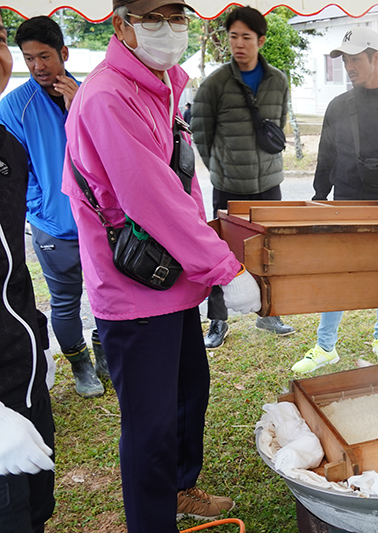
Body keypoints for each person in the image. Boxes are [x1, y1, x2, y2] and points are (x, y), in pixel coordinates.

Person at [62, 1, 263, 531]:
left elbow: (183, 176)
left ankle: (179, 488)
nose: (169, 27)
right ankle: (153, 522)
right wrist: (226, 269)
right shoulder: (108, 95)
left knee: (188, 393)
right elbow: (151, 198)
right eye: (154, 16)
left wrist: (206, 255)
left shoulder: (164, 82)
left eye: (177, 14)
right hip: (133, 290)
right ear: (122, 22)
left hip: (173, 282)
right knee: (149, 425)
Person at [293, 27, 378, 373]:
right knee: (337, 271)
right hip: (344, 199)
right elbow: (326, 154)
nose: (349, 66)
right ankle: (325, 346)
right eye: (345, 59)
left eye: (356, 59)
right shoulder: (339, 105)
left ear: (376, 58)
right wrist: (320, 196)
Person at [0, 16, 107, 398]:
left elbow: (110, 150)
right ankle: (80, 366)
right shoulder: (14, 106)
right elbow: (15, 170)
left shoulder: (92, 93)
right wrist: (39, 209)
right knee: (65, 301)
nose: (37, 67)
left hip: (102, 222)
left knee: (107, 295)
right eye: (28, 59)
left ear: (64, 52)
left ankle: (105, 355)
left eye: (44, 56)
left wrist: (80, 106)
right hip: (53, 227)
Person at [192, 5, 294, 348]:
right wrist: (220, 167)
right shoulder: (215, 83)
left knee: (270, 250)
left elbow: (278, 125)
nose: (239, 43)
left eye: (246, 37)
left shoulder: (278, 81)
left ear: (260, 40)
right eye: (233, 36)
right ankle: (217, 321)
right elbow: (201, 134)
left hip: (268, 184)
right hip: (228, 187)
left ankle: (269, 313)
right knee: (221, 253)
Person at [0, 20, 56, 533]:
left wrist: (35, 340)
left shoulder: (2, 144)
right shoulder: (15, 110)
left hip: (21, 363)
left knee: (37, 503)